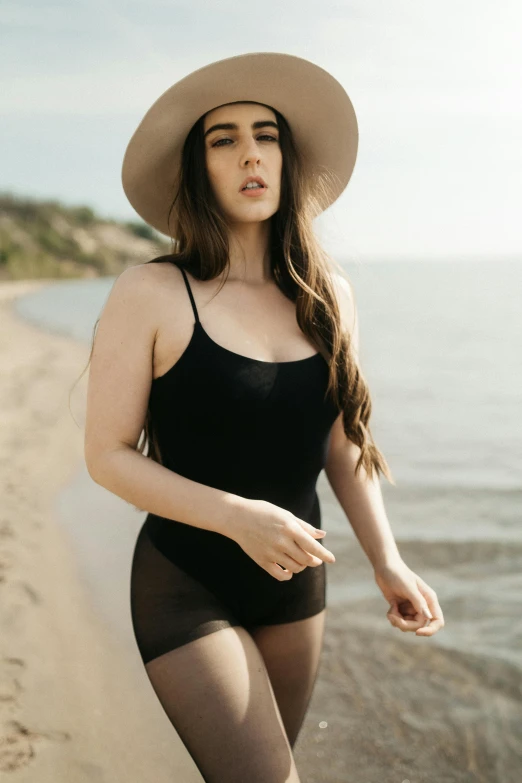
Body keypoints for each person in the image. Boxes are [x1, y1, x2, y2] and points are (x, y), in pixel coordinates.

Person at [83, 52, 444, 783]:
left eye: (265, 134)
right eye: (223, 139)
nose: (249, 152)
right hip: (185, 582)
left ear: (287, 158)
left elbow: (342, 446)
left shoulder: (327, 294)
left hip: (295, 584)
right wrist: (237, 516)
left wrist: (387, 559)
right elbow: (108, 454)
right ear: (200, 168)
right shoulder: (152, 291)